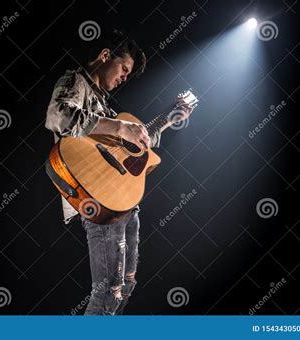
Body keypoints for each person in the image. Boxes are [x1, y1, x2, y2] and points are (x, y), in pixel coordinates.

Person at [45, 30, 194, 315]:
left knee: (125, 286)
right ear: (105, 56)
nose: (124, 77)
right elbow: (58, 115)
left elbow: (132, 145)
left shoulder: (105, 107)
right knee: (108, 290)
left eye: (128, 75)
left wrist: (170, 118)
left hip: (122, 202)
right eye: (124, 68)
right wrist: (120, 127)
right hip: (97, 197)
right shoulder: (75, 81)